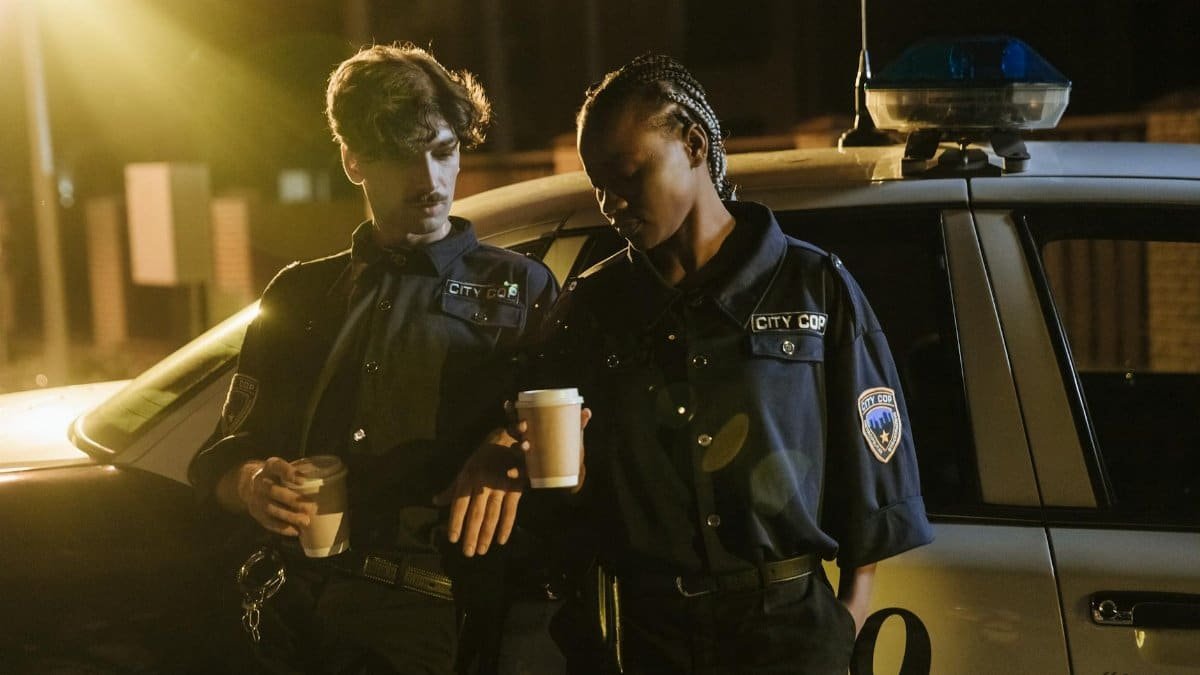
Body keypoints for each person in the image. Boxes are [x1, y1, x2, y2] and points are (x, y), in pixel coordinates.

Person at [461, 54, 935, 674]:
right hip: (641, 637)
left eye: (627, 174)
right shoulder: (595, 306)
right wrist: (551, 472)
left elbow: (874, 477)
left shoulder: (814, 287)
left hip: (785, 632)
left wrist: (845, 615)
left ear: (692, 145)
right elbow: (555, 490)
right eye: (597, 183)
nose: (610, 202)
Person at [188, 43, 556, 674]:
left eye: (444, 152)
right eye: (403, 157)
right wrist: (252, 484)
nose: (430, 180)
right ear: (353, 159)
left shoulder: (522, 289)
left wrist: (514, 443)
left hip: (438, 612)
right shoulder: (302, 292)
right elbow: (223, 451)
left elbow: (577, 440)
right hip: (296, 608)